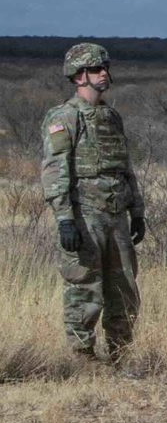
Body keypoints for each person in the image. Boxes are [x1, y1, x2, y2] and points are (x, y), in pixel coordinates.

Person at [40, 43, 145, 365]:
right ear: (79, 75)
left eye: (105, 68)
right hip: (85, 214)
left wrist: (137, 212)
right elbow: (55, 169)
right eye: (98, 70)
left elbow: (125, 167)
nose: (105, 75)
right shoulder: (64, 117)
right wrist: (64, 219)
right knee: (85, 287)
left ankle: (121, 356)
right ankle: (82, 358)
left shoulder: (110, 116)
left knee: (124, 289)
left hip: (117, 215)